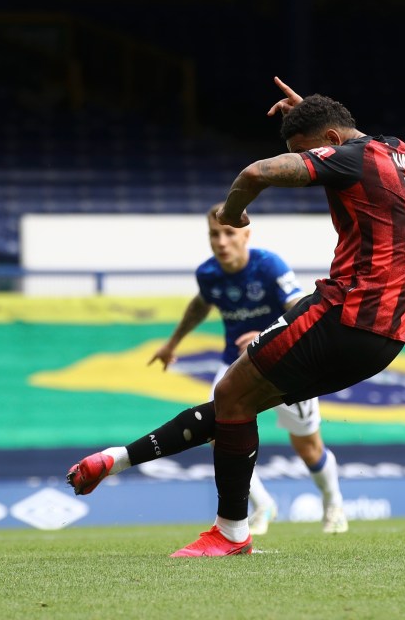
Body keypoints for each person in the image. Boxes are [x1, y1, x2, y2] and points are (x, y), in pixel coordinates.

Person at [68, 76, 405, 557]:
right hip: (388, 336)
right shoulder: (397, 150)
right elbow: (344, 137)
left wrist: (233, 212)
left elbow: (256, 173)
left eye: (314, 150)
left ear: (330, 144)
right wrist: (310, 114)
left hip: (347, 313)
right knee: (235, 405)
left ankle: (233, 532)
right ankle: (115, 461)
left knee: (233, 395)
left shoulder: (345, 162)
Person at [145, 202, 347, 535]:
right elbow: (200, 304)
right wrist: (172, 344)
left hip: (284, 363)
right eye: (214, 234)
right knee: (217, 434)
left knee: (307, 446)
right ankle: (264, 505)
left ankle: (334, 502)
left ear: (245, 234)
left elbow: (300, 306)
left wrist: (267, 333)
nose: (221, 242)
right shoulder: (208, 274)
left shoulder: (269, 266)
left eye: (229, 233)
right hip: (234, 366)